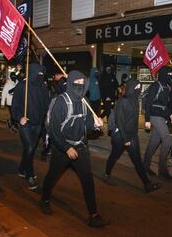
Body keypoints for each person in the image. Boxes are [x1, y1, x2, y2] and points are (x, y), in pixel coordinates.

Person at [40, 70, 108, 228]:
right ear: (70, 83)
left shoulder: (85, 102)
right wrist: (66, 148)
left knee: (88, 181)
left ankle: (93, 215)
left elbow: (88, 124)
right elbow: (53, 130)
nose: (79, 86)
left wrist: (96, 125)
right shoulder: (61, 102)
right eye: (76, 83)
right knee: (52, 175)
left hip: (81, 147)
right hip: (63, 147)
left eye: (82, 84)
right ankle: (44, 199)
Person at [103, 78, 160, 193]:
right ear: (130, 88)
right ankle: (106, 174)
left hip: (132, 135)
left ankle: (147, 184)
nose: (138, 91)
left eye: (139, 88)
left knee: (137, 160)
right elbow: (120, 121)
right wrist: (125, 139)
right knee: (114, 155)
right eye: (136, 88)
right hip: (120, 135)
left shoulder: (135, 101)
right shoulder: (122, 101)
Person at [12, 63, 50, 190]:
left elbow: (46, 105)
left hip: (38, 123)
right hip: (25, 123)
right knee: (29, 147)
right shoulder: (22, 86)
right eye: (37, 74)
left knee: (30, 149)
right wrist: (19, 118)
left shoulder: (43, 87)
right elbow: (14, 106)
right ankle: (29, 175)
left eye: (42, 75)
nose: (39, 77)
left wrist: (48, 117)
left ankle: (22, 169)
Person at [142, 67, 172, 182]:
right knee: (167, 141)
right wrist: (147, 119)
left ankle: (145, 166)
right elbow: (149, 104)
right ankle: (162, 170)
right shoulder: (156, 85)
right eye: (169, 74)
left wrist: (169, 115)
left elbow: (164, 106)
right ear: (163, 74)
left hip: (161, 117)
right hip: (154, 116)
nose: (171, 76)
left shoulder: (167, 86)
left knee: (154, 142)